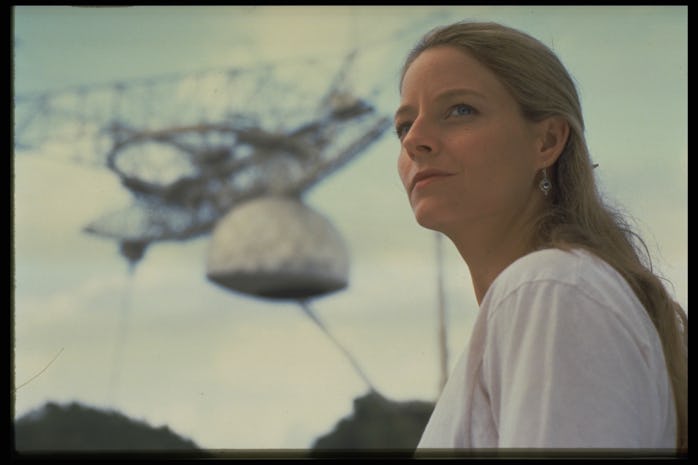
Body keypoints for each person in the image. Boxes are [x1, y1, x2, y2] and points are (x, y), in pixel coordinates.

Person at [394, 21, 687, 455]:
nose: (415, 139)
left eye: (460, 110)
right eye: (403, 126)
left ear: (547, 141)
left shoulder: (548, 289)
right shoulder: (553, 292)